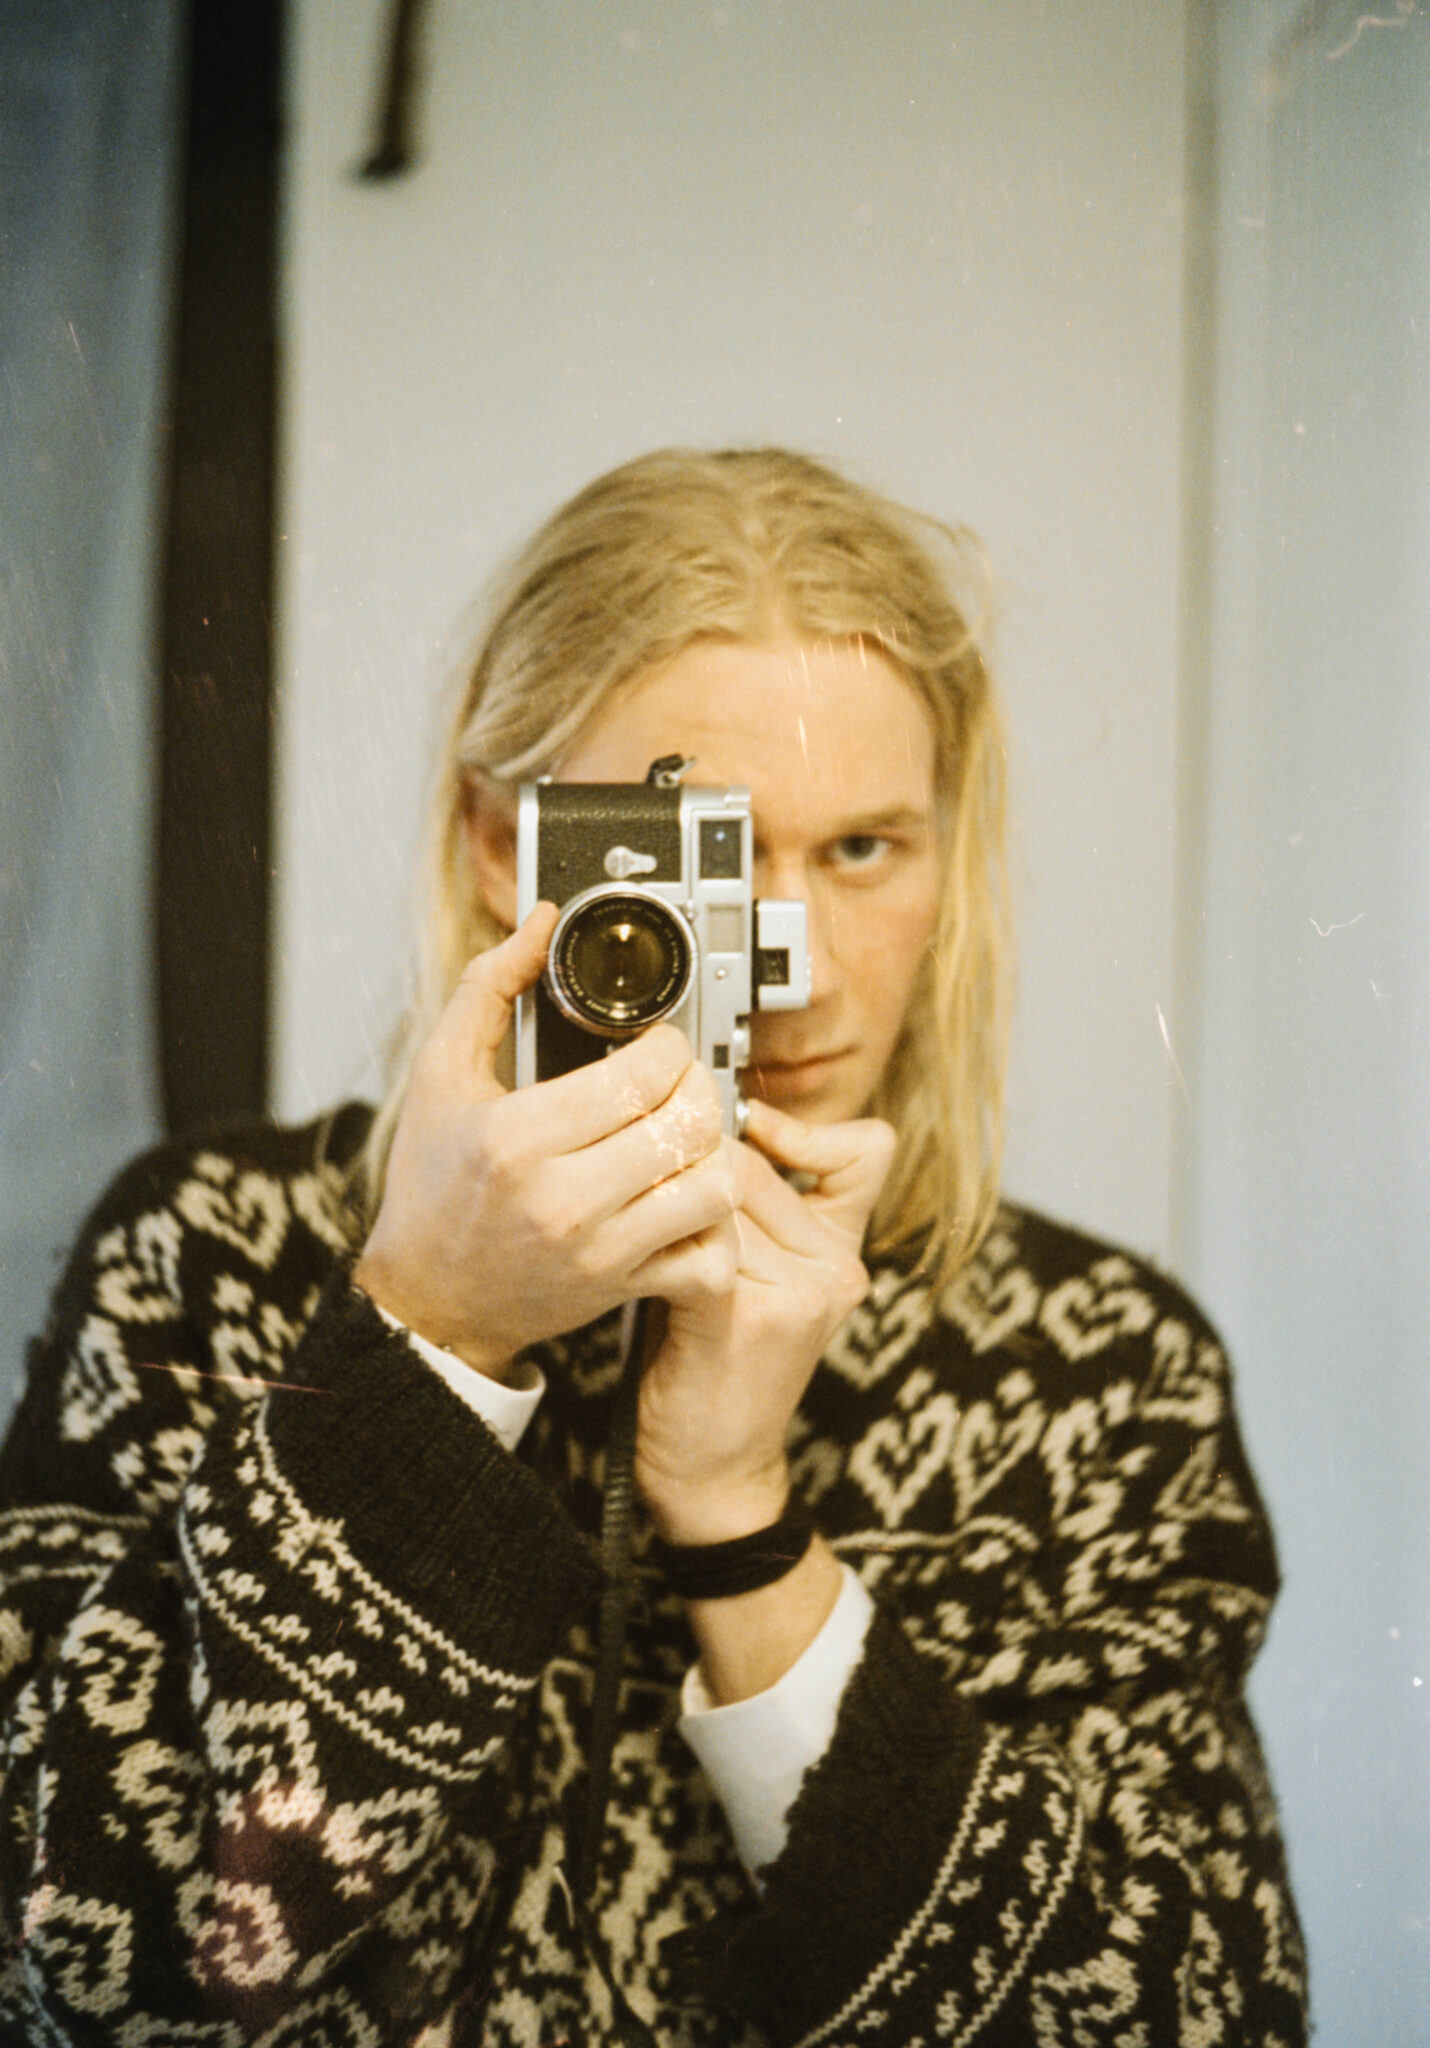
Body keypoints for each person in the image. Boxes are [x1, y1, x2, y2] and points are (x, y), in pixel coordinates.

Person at [0, 448, 1307, 2045]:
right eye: (708, 856)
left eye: (864, 849)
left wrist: (744, 1527)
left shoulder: (1095, 1365)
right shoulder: (215, 1259)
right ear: (502, 844)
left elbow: (1194, 2023)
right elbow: (82, 1985)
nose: (795, 965)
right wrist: (425, 1345)